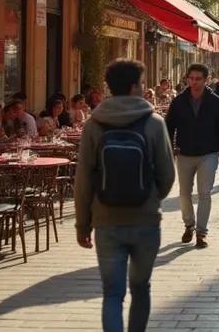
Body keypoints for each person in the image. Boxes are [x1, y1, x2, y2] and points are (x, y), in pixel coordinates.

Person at [75, 59, 175, 332]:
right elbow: (167, 174)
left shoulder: (94, 125)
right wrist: (150, 197)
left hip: (106, 221)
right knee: (141, 288)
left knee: (112, 294)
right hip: (145, 220)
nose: (144, 88)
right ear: (133, 87)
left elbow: (83, 178)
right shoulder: (154, 123)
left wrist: (83, 224)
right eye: (142, 83)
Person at [164, 63, 219, 249]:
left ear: (206, 80)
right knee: (184, 194)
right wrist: (169, 148)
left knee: (204, 193)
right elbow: (169, 126)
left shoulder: (216, 102)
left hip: (208, 153)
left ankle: (201, 232)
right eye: (191, 78)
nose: (193, 82)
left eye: (198, 79)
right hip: (184, 153)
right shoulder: (179, 101)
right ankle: (189, 225)